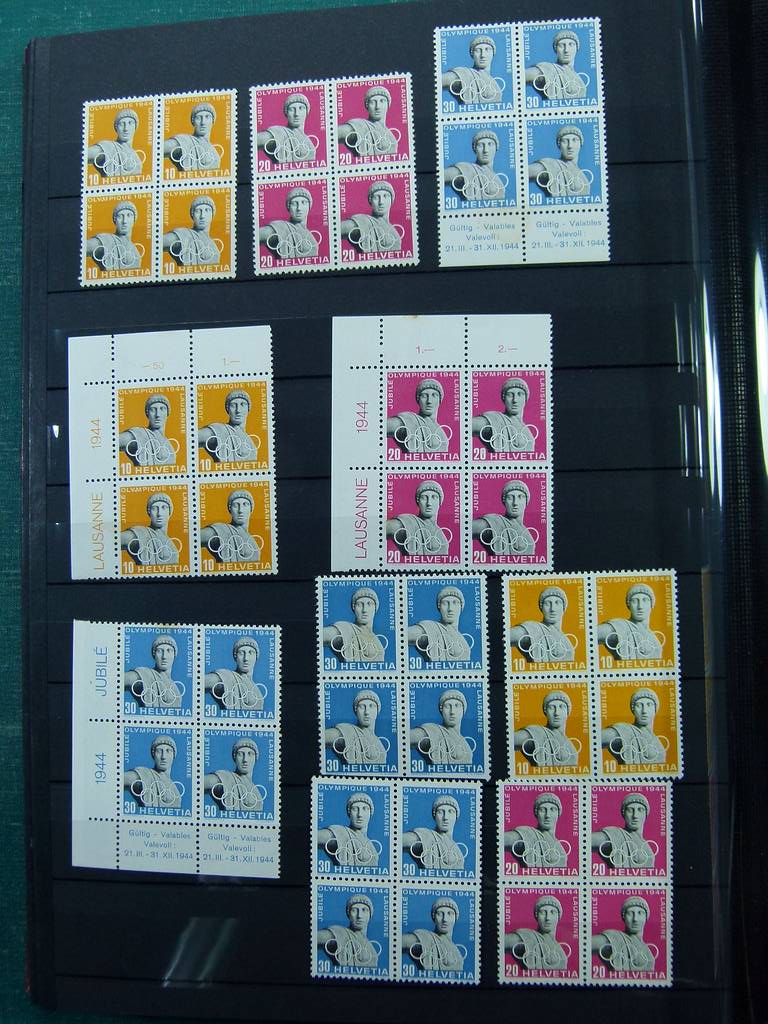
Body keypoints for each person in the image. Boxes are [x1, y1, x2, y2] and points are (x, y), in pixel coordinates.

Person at [597, 583, 664, 661]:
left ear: (652, 604)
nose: (640, 606)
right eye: (634, 601)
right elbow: (590, 634)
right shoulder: (621, 627)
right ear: (629, 604)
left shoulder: (655, 640)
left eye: (645, 600)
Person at [509, 585, 575, 663]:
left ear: (563, 607)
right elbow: (506, 636)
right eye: (547, 603)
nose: (552, 609)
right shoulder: (535, 629)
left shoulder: (567, 641)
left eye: (557, 603)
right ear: (541, 607)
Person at [514, 690, 579, 768]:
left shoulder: (571, 746)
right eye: (551, 707)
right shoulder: (538, 733)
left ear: (567, 711)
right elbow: (509, 739)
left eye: (562, 707)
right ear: (545, 711)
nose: (556, 713)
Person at [601, 688, 667, 766]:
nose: (644, 711)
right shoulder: (625, 731)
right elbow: (595, 738)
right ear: (633, 709)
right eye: (639, 705)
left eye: (649, 705)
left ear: (655, 709)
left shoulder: (657, 740)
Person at [592, 793, 656, 869]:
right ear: (624, 813)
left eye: (640, 810)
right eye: (630, 810)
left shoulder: (647, 846)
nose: (635, 815)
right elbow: (587, 840)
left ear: (646, 814)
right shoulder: (617, 834)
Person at [592, 896, 657, 972]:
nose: (635, 919)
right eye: (630, 913)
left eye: (640, 913)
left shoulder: (648, 951)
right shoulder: (615, 938)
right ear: (624, 917)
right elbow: (585, 944)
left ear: (646, 917)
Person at [408, 585, 472, 662]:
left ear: (461, 606)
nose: (450, 608)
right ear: (439, 606)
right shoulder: (431, 628)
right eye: (445, 603)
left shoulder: (462, 640)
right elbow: (402, 635)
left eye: (455, 603)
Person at [472, 377, 537, 454]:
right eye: (510, 394)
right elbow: (466, 425)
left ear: (525, 398)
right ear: (504, 398)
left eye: (520, 394)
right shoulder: (496, 419)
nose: (515, 400)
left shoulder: (528, 431)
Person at [504, 792, 568, 869]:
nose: (547, 815)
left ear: (558, 813)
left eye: (552, 809)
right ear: (536, 813)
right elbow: (505, 839)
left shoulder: (560, 846)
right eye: (542, 810)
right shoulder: (529, 834)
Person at [386, 480, 450, 556]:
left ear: (440, 501)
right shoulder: (410, 522)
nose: (429, 503)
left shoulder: (441, 534)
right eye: (424, 497)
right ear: (418, 501)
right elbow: (380, 528)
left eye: (434, 497)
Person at [472, 479, 536, 556]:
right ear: (504, 501)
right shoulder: (496, 522)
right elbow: (465, 528)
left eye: (520, 497)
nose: (515, 503)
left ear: (526, 501)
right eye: (510, 497)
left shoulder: (528, 535)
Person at [322, 587, 386, 663]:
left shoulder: (378, 644)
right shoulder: (347, 629)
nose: (364, 610)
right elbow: (321, 635)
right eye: (359, 604)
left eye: (369, 604)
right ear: (354, 607)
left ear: (375, 608)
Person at [402, 794, 466, 870]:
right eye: (440, 812)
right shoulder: (427, 836)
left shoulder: (458, 851)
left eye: (450, 812)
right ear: (434, 815)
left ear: (456, 816)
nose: (445, 817)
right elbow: (397, 841)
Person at [317, 791, 380, 867]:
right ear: (349, 812)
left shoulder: (373, 848)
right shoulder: (342, 832)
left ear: (370, 812)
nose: (360, 814)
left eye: (365, 809)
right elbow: (314, 837)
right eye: (355, 809)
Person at [411, 689, 473, 765]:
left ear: (463, 710)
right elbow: (406, 738)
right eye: (447, 706)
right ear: (441, 710)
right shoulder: (434, 731)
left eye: (457, 706)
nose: (452, 712)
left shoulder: (466, 744)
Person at [325, 689, 388, 765]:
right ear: (356, 710)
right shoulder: (349, 731)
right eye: (362, 706)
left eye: (371, 706)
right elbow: (321, 737)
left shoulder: (380, 745)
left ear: (377, 710)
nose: (367, 712)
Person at [505, 895, 568, 969]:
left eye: (552, 912)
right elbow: (503, 941)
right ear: (536, 915)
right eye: (543, 912)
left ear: (558, 916)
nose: (548, 918)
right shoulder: (529, 937)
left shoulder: (560, 950)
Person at [387, 378, 449, 454]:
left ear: (439, 399)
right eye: (424, 396)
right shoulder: (411, 420)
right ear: (418, 399)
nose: (429, 401)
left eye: (434, 395)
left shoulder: (442, 432)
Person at [198, 388, 260, 464]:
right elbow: (192, 437)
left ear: (248, 408)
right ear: (228, 409)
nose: (238, 410)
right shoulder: (221, 430)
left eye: (243, 404)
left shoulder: (251, 442)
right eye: (233, 405)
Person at [528, 124, 592, 198]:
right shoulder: (553, 165)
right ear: (559, 145)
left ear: (580, 144)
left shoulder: (583, 177)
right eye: (565, 141)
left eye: (574, 140)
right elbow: (524, 172)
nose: (570, 146)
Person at [402, 897, 465, 971]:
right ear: (434, 917)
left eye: (450, 914)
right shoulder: (427, 938)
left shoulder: (457, 953)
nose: (445, 919)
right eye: (439, 914)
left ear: (455, 917)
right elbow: (399, 942)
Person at [317, 894, 380, 967]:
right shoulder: (341, 933)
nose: (359, 915)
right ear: (348, 914)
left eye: (364, 910)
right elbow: (316, 938)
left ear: (370, 914)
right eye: (354, 910)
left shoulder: (372, 951)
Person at [205, 635, 266, 712]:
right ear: (235, 656)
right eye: (241, 653)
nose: (246, 658)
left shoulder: (257, 690)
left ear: (256, 656)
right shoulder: (228, 677)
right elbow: (199, 682)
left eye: (251, 653)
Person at [340, 180, 403, 254]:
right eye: (376, 197)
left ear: (391, 200)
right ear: (370, 201)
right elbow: (336, 229)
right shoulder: (364, 221)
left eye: (385, 196)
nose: (381, 202)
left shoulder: (395, 233)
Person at [200, 489, 261, 564]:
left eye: (245, 504)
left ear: (251, 508)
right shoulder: (223, 530)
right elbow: (194, 537)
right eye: (235, 505)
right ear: (230, 508)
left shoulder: (253, 541)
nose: (240, 510)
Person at [123, 634, 184, 709]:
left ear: (174, 655)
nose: (164, 656)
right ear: (154, 655)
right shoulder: (146, 675)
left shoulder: (176, 690)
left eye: (169, 651)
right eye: (159, 651)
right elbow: (119, 680)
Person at [204, 737, 265, 812]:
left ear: (255, 758)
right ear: (235, 757)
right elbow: (201, 783)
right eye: (240, 754)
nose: (245, 759)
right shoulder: (227, 778)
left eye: (250, 754)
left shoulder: (257, 793)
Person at [444, 129, 507, 201]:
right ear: (475, 149)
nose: (485, 150)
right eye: (480, 145)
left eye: (490, 144)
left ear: (496, 147)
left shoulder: (498, 180)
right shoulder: (468, 169)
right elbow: (441, 176)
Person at [120, 491, 180, 567]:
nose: (159, 513)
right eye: (154, 508)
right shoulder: (142, 533)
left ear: (169, 512)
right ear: (149, 512)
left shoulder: (171, 543)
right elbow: (113, 540)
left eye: (164, 508)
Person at [525, 29, 588, 101]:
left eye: (571, 44)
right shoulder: (549, 69)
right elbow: (520, 76)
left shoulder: (580, 80)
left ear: (576, 48)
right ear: (556, 49)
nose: (566, 50)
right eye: (561, 45)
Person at [338, 85, 399, 158]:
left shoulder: (391, 137)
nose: (377, 106)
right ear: (367, 105)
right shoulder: (361, 126)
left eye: (382, 101)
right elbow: (335, 133)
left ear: (388, 104)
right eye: (373, 102)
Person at [259, 186, 320, 259]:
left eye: (303, 202)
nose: (299, 208)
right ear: (288, 207)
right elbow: (256, 235)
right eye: (294, 203)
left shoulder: (311, 237)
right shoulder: (282, 227)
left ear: (309, 206)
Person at [119, 393, 177, 468]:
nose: (157, 414)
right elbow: (113, 442)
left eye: (162, 409)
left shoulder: (169, 445)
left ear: (167, 413)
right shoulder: (140, 434)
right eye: (153, 409)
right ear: (147, 413)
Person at [256, 92, 317, 164]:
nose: (296, 114)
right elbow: (255, 140)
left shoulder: (310, 143)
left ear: (306, 112)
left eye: (301, 108)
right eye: (292, 109)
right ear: (286, 113)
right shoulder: (280, 132)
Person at [123, 734, 182, 809]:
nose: (163, 756)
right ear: (153, 754)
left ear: (174, 755)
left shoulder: (175, 790)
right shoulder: (146, 775)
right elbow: (118, 779)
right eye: (159, 751)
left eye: (168, 751)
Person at [442, 34, 503, 105]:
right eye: (478, 50)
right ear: (472, 54)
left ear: (493, 53)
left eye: (487, 49)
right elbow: (441, 80)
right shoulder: (466, 74)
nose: (483, 55)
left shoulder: (496, 85)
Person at [163, 195, 221, 267]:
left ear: (212, 214)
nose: (202, 216)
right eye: (198, 211)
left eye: (207, 210)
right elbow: (158, 242)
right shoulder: (185, 234)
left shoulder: (213, 244)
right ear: (192, 214)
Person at [85, 199, 143, 272]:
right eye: (120, 216)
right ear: (115, 220)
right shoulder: (107, 240)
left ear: (134, 219)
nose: (124, 221)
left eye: (129, 215)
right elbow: (82, 247)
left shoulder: (136, 252)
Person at [164, 101, 222, 172]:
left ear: (212, 121)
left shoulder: (215, 153)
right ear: (193, 121)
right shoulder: (186, 141)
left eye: (207, 117)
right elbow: (158, 149)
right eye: (198, 118)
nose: (203, 122)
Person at [87, 108, 144, 178]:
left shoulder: (137, 157)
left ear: (135, 126)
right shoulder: (109, 147)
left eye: (130, 123)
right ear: (116, 128)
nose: (126, 128)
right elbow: (84, 155)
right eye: (121, 124)